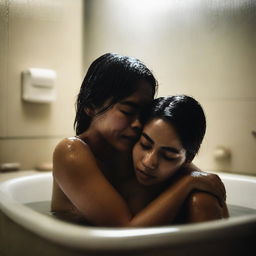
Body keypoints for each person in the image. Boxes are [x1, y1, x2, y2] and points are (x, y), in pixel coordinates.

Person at [51, 53, 226, 227]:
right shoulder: (71, 152)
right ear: (91, 106)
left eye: (143, 114)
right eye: (127, 111)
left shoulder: (134, 146)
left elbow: (206, 183)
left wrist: (195, 185)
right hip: (81, 247)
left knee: (202, 200)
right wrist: (189, 183)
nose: (137, 123)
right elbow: (124, 230)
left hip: (136, 244)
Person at [129, 95, 229, 224]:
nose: (149, 162)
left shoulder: (200, 200)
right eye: (145, 145)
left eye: (168, 156)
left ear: (188, 159)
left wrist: (189, 182)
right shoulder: (117, 163)